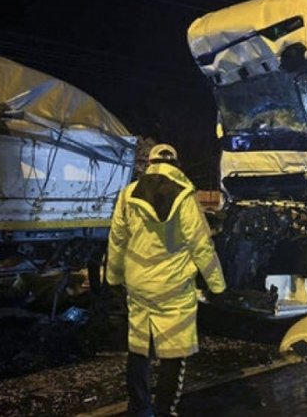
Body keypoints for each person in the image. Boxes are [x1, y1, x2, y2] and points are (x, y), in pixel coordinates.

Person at [107, 143, 226, 416]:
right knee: (174, 352)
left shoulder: (127, 195)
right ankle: (164, 411)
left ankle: (139, 407)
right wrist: (217, 285)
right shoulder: (185, 197)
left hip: (138, 286)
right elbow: (201, 246)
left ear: (149, 163)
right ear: (177, 165)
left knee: (139, 349)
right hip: (174, 288)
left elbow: (117, 240)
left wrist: (113, 277)